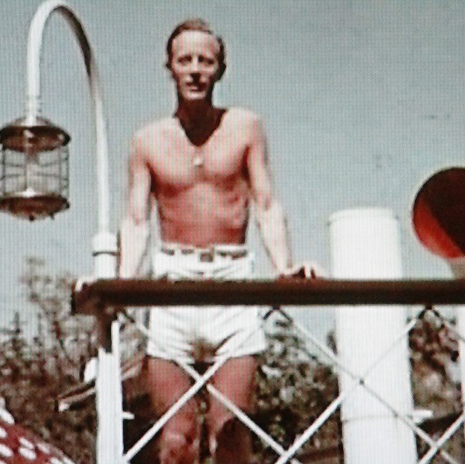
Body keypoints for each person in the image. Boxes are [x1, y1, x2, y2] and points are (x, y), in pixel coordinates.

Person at [119, 18, 315, 464]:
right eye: (184, 60)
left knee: (230, 438)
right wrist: (124, 283)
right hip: (173, 283)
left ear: (219, 70)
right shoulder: (147, 141)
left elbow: (265, 203)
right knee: (176, 441)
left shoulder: (245, 127)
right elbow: (135, 219)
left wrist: (284, 267)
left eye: (205, 61)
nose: (194, 70)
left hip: (233, 283)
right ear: (168, 67)